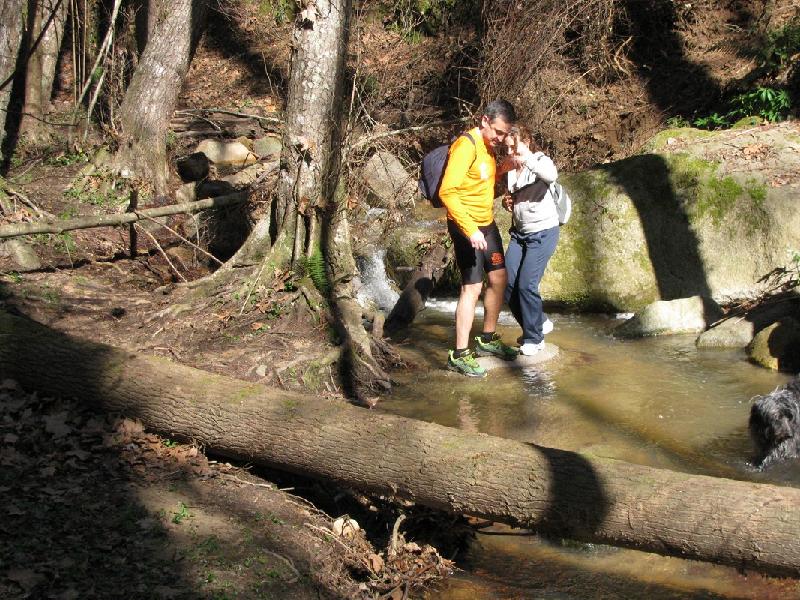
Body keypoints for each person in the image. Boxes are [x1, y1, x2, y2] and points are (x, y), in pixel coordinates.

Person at [438, 99, 519, 377]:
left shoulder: (488, 146)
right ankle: (459, 353)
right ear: (484, 120)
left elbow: (480, 178)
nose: (500, 138)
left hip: (487, 223)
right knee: (472, 287)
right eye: (497, 132)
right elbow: (448, 191)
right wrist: (470, 230)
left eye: (503, 134)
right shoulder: (466, 145)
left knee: (498, 278)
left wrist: (503, 167)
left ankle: (487, 339)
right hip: (465, 226)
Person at [502, 125, 560, 355]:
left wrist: (526, 158)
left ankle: (534, 338)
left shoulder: (540, 160)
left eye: (514, 147)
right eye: (507, 148)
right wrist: (509, 203)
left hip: (543, 233)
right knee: (505, 284)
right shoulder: (510, 168)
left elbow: (551, 176)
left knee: (526, 284)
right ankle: (539, 322)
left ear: (526, 141)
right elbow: (516, 197)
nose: (510, 153)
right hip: (520, 234)